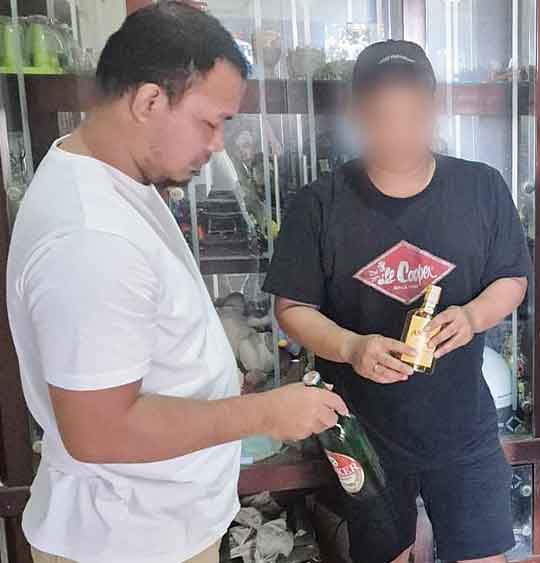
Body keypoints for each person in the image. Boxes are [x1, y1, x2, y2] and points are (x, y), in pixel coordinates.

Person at [5, 4, 348, 563]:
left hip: (151, 527)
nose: (217, 144)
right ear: (148, 101)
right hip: (124, 542)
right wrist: (266, 413)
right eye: (209, 122)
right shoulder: (92, 238)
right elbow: (99, 432)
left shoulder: (111, 177)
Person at [264, 40, 530, 563]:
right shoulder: (320, 204)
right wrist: (351, 347)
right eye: (383, 118)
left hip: (462, 426)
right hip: (362, 432)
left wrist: (473, 316)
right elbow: (291, 308)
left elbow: (512, 279)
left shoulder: (480, 188)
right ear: (357, 115)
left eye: (412, 116)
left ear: (434, 108)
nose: (399, 133)